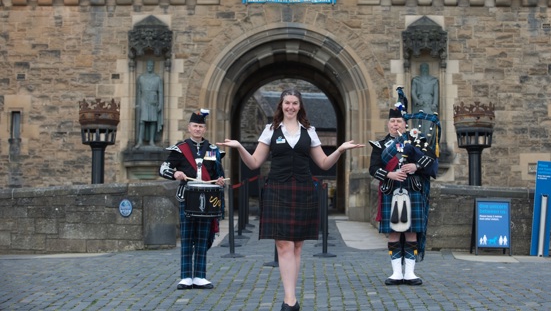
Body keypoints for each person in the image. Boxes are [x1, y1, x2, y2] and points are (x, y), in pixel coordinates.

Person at [218, 89, 363, 311]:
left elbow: (324, 163)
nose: (291, 107)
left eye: (295, 103)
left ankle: (291, 298)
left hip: (303, 189)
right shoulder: (270, 130)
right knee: (283, 244)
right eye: (287, 103)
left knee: (296, 246)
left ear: (299, 106)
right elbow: (254, 162)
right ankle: (290, 300)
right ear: (281, 105)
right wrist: (239, 147)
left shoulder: (310, 132)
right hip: (277, 189)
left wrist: (341, 149)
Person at [369, 102, 438, 286]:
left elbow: (431, 159)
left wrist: (416, 166)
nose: (396, 124)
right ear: (388, 124)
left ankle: (410, 273)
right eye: (392, 121)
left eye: (399, 121)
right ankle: (396, 273)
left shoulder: (416, 141)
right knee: (393, 233)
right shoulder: (380, 145)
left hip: (412, 189)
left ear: (405, 124)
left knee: (411, 232)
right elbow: (373, 168)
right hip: (391, 190)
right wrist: (389, 174)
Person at [158, 109, 226, 290]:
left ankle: (201, 276)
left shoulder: (212, 150)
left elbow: (218, 174)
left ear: (204, 129)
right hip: (186, 197)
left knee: (203, 237)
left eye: (201, 126)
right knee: (187, 237)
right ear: (189, 128)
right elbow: (163, 169)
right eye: (195, 126)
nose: (198, 129)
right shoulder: (180, 149)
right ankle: (186, 276)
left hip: (207, 197)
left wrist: (219, 180)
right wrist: (175, 173)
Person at [135, 59, 163, 148]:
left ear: (153, 67)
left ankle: (151, 141)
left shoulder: (157, 78)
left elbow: (160, 92)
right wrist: (138, 104)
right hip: (144, 100)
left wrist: (160, 104)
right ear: (146, 66)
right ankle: (140, 140)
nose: (150, 67)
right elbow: (138, 92)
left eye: (151, 66)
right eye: (148, 66)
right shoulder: (142, 78)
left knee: (153, 121)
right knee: (142, 121)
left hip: (154, 101)